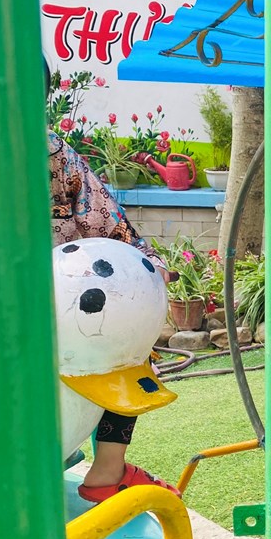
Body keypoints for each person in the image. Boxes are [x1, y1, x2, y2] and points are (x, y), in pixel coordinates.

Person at [45, 61, 180, 503]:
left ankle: (108, 467)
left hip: (64, 304)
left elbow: (107, 221)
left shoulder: (56, 155)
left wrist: (148, 266)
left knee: (127, 341)